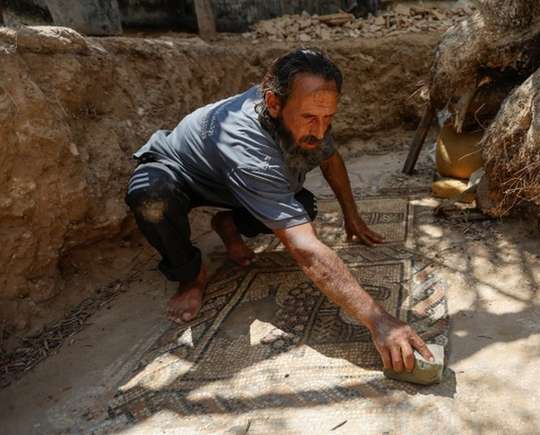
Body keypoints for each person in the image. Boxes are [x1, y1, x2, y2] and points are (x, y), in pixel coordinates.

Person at [125, 48, 432, 373]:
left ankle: (228, 222)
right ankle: (190, 275)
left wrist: (351, 215)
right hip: (179, 171)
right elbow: (304, 248)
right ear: (272, 103)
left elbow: (330, 158)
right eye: (310, 118)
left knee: (303, 207)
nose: (320, 130)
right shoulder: (247, 146)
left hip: (231, 179)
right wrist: (378, 319)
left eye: (328, 118)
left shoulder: (307, 112)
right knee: (149, 196)